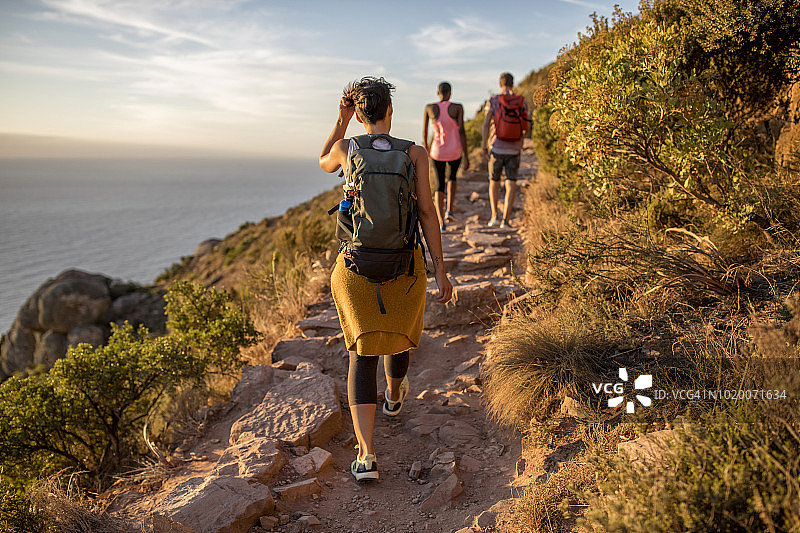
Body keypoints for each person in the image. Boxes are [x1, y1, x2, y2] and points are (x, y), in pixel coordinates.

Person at [319, 77, 453, 481]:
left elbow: (323, 160)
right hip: (404, 264)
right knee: (397, 334)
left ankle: (367, 457)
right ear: (391, 111)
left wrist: (341, 121)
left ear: (360, 115)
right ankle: (394, 395)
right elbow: (427, 212)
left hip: (355, 267)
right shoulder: (415, 153)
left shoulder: (346, 149)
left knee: (362, 355)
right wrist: (440, 270)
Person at [481, 72, 529, 228]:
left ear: (500, 84)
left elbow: (486, 124)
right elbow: (526, 125)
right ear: (513, 84)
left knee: (494, 182)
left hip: (496, 147)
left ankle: (494, 217)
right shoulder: (521, 101)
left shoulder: (494, 101)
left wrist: (484, 145)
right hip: (514, 149)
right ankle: (506, 221)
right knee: (511, 183)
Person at [423, 82, 469, 231]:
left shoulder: (429, 108)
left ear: (438, 93)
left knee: (439, 184)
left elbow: (425, 132)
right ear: (450, 93)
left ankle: (441, 222)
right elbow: (462, 131)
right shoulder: (457, 107)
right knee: (452, 178)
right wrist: (466, 155)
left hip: (437, 151)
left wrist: (427, 148)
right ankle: (449, 209)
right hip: (455, 150)